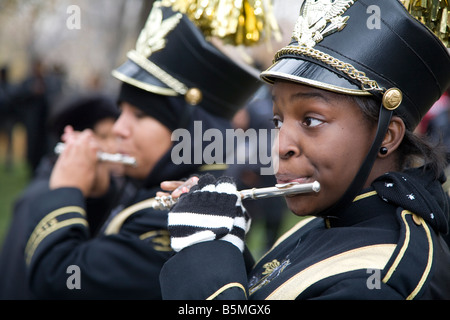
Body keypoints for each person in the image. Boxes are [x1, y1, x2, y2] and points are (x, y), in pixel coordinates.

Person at [159, 0, 450, 299]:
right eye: (277, 121)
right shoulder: (325, 222)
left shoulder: (379, 280)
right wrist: (225, 241)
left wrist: (203, 255)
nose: (280, 147)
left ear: (387, 137)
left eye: (310, 120)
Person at [23, 1, 263, 299]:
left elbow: (57, 280)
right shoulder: (151, 196)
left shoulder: (182, 222)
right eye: (121, 112)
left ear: (191, 133)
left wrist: (65, 191)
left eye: (139, 115)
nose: (119, 129)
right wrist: (99, 195)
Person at [0, 93, 120, 299]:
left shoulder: (109, 187)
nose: (115, 147)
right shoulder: (40, 196)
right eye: (103, 136)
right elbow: (18, 280)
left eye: (115, 136)